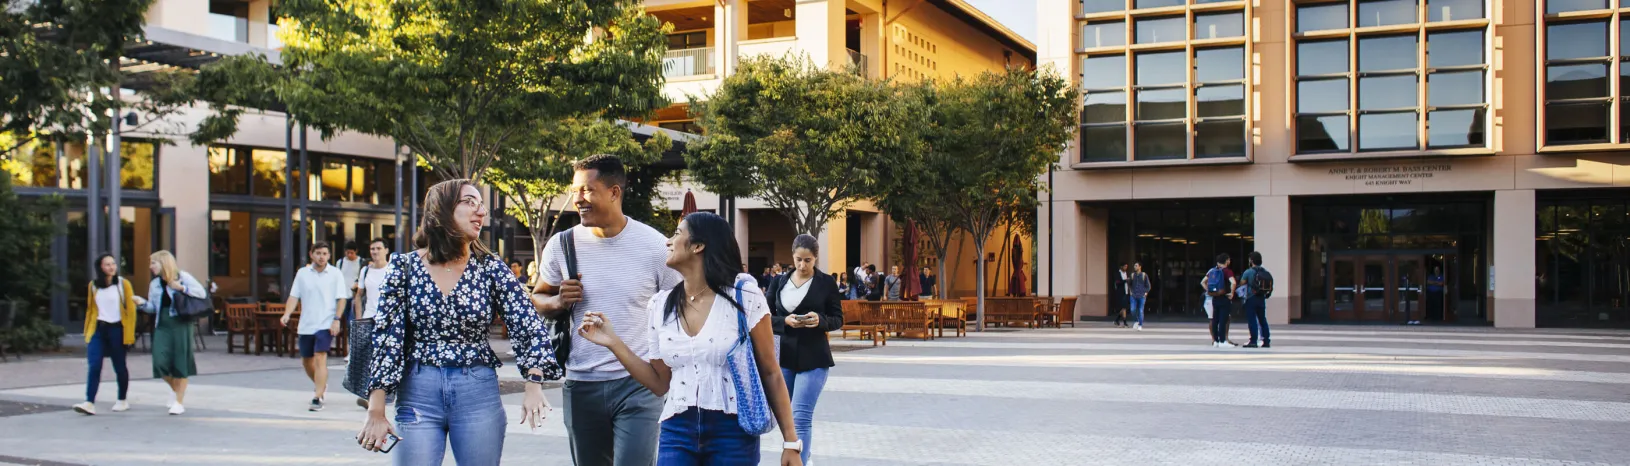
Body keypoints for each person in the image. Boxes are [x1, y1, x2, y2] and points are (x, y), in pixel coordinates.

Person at [356, 179, 561, 464]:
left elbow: (526, 323)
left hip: (477, 391)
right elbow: (387, 340)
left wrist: (533, 384)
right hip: (418, 392)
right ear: (441, 210)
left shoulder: (490, 267)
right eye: (469, 202)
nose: (481, 212)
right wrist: (376, 412)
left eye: (482, 205)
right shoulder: (403, 267)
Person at [576, 212, 802, 466]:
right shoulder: (660, 305)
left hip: (733, 432)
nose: (668, 242)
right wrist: (613, 343)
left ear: (698, 245)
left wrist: (791, 443)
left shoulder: (744, 296)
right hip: (677, 429)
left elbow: (771, 372)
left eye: (677, 234)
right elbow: (660, 383)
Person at [530, 154, 680, 466]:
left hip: (638, 385)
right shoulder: (563, 245)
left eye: (587, 190)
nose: (578, 199)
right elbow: (537, 298)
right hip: (581, 383)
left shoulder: (654, 246)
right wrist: (558, 301)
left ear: (614, 192)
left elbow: (678, 310)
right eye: (575, 191)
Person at [767, 234, 842, 465]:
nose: (802, 265)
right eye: (798, 260)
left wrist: (820, 320)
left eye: (808, 260)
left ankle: (802, 461)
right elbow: (765, 317)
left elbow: (837, 318)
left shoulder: (826, 282)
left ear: (816, 258)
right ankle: (796, 456)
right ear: (792, 256)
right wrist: (784, 322)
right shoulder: (779, 282)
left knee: (800, 416)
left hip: (815, 356)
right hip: (785, 356)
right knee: (786, 417)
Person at [281, 241, 349, 412]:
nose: (321, 256)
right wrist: (287, 313)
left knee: (320, 357)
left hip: (326, 323)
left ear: (329, 256)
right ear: (311, 254)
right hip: (306, 324)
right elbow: (294, 296)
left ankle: (317, 396)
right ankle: (321, 383)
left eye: (325, 253)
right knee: (306, 361)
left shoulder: (335, 274)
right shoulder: (302, 273)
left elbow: (341, 298)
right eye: (318, 253)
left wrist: (336, 319)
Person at [140, 250, 205, 415]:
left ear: (163, 263)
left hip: (181, 323)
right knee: (159, 361)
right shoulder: (154, 284)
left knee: (180, 361)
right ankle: (176, 391)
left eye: (153, 263)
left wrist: (181, 287)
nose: (150, 267)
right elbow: (153, 308)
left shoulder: (182, 277)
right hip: (162, 323)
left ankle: (179, 402)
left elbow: (201, 293)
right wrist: (141, 303)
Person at [74, 254, 138, 415]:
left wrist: (130, 335)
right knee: (94, 365)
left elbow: (131, 311)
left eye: (113, 264)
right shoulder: (93, 286)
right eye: (107, 264)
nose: (112, 267)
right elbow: (91, 309)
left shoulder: (123, 284)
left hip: (117, 329)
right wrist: (87, 331)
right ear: (100, 267)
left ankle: (122, 399)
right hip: (98, 329)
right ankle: (89, 402)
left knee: (119, 366)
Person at [346, 238, 394, 408]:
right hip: (369, 318)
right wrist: (359, 318)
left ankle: (382, 396)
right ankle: (370, 396)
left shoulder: (393, 269)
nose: (375, 252)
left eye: (378, 248)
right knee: (369, 358)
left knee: (385, 359)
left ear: (386, 250)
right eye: (372, 249)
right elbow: (359, 295)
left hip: (388, 321)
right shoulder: (366, 270)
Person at [1204, 254, 1237, 348]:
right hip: (1224, 297)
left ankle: (1216, 341)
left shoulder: (1212, 271)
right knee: (1223, 319)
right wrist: (1232, 293)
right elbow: (1233, 282)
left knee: (1215, 319)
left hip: (1214, 297)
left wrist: (1209, 291)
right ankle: (1223, 340)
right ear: (1227, 261)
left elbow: (1203, 282)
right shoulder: (1227, 271)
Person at [1240, 251, 1272, 348]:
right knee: (1262, 319)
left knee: (1252, 319)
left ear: (1251, 260)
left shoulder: (1249, 272)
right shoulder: (1265, 271)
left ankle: (1253, 340)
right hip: (1261, 297)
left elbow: (1242, 283)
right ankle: (1266, 340)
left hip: (1251, 297)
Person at [1128, 262, 1151, 331]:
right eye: (1134, 266)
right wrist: (1130, 291)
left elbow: (1148, 286)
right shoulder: (1132, 275)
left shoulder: (1144, 275)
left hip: (1142, 295)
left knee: (1141, 310)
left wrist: (1146, 293)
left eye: (1136, 266)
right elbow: (1129, 284)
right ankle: (1136, 320)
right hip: (1133, 295)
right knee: (1132, 310)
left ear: (1140, 267)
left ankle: (1140, 325)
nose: (1135, 267)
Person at [1112, 264, 1128, 328]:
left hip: (1126, 292)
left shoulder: (1126, 273)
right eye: (1125, 266)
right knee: (1124, 307)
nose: (1126, 268)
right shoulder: (1117, 273)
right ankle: (1124, 322)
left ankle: (1117, 320)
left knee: (1124, 308)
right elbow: (1117, 282)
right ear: (1121, 267)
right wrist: (1125, 281)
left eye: (1126, 267)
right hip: (1120, 293)